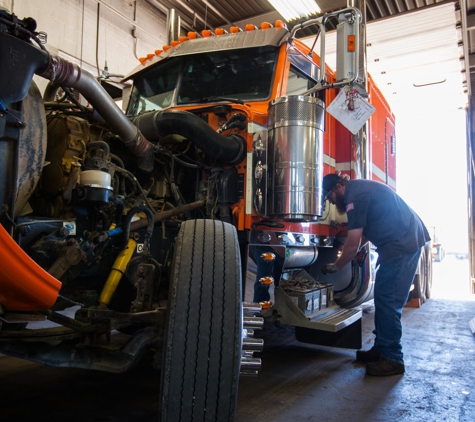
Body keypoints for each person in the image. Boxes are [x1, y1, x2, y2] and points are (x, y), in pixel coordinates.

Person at [321, 173, 430, 377]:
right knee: (383, 298)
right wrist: (349, 252)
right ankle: (381, 349)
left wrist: (336, 266)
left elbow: (353, 243)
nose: (331, 202)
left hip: (401, 244)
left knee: (388, 300)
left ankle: (392, 358)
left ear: (338, 187)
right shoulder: (358, 191)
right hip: (399, 243)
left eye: (330, 197)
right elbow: (359, 237)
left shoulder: (355, 197)